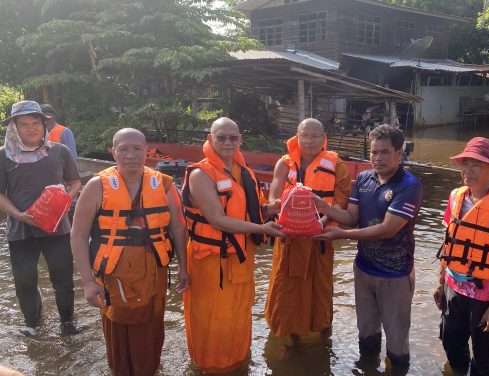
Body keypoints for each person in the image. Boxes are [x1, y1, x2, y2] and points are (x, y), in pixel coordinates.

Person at [71, 128, 189, 375]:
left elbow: (178, 227)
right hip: (113, 277)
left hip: (154, 274)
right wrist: (88, 282)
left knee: (151, 331)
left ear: (147, 152)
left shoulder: (164, 185)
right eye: (123, 149)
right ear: (113, 152)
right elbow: (78, 235)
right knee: (118, 337)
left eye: (137, 148)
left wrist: (184, 268)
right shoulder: (96, 186)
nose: (131, 155)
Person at [313, 124, 423, 372]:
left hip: (394, 274)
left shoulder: (409, 186)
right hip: (364, 269)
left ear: (399, 152)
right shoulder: (363, 178)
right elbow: (352, 216)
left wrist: (341, 235)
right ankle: (367, 368)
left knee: (396, 343)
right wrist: (324, 206)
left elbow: (388, 229)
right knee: (367, 334)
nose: (377, 158)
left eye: (384, 152)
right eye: (374, 152)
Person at [182, 117, 284, 373]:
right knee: (212, 316)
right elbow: (218, 219)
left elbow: (244, 209)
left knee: (238, 313)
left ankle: (238, 363)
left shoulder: (243, 171)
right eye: (221, 137)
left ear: (240, 139)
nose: (227, 142)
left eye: (233, 138)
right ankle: (210, 367)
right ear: (210, 139)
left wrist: (268, 208)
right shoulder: (200, 174)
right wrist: (262, 228)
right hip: (211, 261)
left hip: (239, 256)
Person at [433, 137, 489, 376]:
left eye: (476, 165)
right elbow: (448, 242)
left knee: (484, 356)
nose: (467, 171)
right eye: (465, 163)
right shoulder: (455, 197)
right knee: (451, 343)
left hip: (484, 295)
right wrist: (440, 283)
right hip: (453, 287)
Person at [264, 118, 351, 345]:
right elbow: (273, 197)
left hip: (320, 240)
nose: (310, 141)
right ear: (297, 136)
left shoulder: (337, 165)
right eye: (305, 135)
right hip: (288, 240)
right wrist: (279, 212)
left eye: (315, 136)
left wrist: (319, 222)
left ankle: (322, 335)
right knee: (286, 291)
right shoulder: (284, 164)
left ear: (324, 138)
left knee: (320, 290)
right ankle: (290, 339)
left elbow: (340, 204)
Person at [0, 100, 81, 336]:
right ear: (14, 127)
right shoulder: (4, 156)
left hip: (57, 228)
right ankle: (33, 325)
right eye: (24, 124)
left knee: (63, 279)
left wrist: (65, 200)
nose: (31, 128)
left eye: (36, 123)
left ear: (44, 125)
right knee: (25, 281)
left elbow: (75, 182)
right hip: (20, 230)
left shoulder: (59, 151)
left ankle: (67, 322)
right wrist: (17, 215)